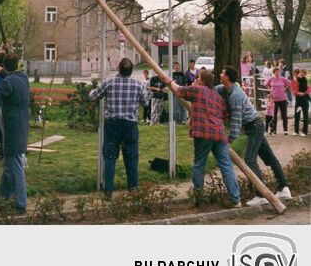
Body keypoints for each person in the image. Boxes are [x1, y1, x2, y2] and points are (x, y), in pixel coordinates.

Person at [216, 66, 291, 206]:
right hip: (256, 125)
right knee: (269, 157)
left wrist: (230, 138)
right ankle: (284, 188)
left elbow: (236, 120)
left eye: (222, 73)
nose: (220, 74)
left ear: (227, 77)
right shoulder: (227, 88)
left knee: (250, 160)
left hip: (254, 126)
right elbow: (214, 90)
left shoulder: (235, 96)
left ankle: (261, 194)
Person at [167, 69, 241, 208]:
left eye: (198, 77)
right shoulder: (218, 97)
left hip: (204, 133)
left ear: (203, 80)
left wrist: (170, 82)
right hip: (219, 134)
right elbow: (226, 115)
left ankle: (199, 198)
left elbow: (180, 91)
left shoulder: (198, 90)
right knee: (226, 166)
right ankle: (236, 199)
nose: (195, 79)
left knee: (199, 164)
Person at [88, 58, 150, 197]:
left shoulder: (109, 82)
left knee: (110, 156)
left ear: (118, 68)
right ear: (131, 71)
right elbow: (146, 103)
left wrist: (92, 90)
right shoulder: (138, 84)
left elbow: (94, 96)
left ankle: (108, 190)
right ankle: (133, 189)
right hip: (130, 124)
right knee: (131, 156)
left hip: (113, 123)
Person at [0, 51, 30, 213]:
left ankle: (21, 203)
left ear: (4, 66)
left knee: (15, 166)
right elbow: (2, 72)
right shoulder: (22, 78)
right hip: (22, 125)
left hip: (12, 128)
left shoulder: (7, 83)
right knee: (9, 165)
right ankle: (2, 199)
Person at [265, 67, 291, 134]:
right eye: (276, 72)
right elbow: (265, 84)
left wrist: (285, 88)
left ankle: (285, 130)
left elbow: (289, 84)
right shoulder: (271, 79)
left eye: (278, 72)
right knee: (274, 116)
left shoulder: (282, 78)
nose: (277, 73)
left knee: (284, 115)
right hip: (274, 100)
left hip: (282, 99)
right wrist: (270, 89)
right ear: (274, 73)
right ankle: (274, 130)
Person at [293, 69, 309, 137]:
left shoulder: (303, 79)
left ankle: (304, 132)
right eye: (294, 74)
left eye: (303, 73)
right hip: (298, 101)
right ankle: (296, 131)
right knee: (297, 116)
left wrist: (302, 93)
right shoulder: (294, 81)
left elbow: (306, 89)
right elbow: (294, 91)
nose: (296, 75)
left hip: (304, 100)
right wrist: (297, 92)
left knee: (305, 116)